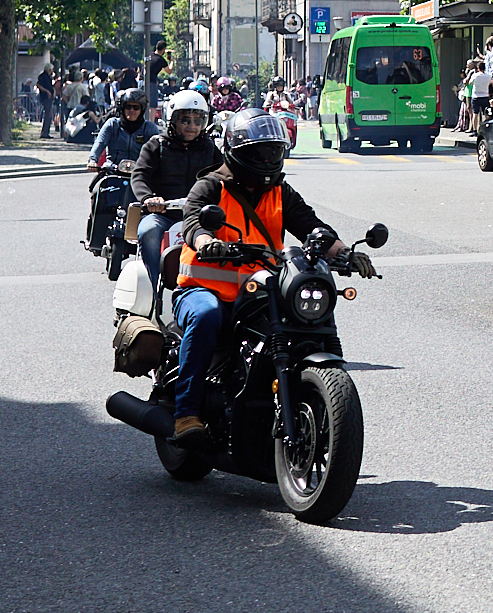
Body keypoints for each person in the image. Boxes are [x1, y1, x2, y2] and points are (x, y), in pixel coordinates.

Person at [165, 111, 362, 444]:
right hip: (203, 289)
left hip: (259, 291)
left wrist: (345, 253)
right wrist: (207, 242)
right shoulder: (211, 185)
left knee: (304, 317)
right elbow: (193, 222)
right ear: (237, 152)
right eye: (260, 152)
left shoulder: (281, 191)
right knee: (206, 316)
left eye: (274, 151)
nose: (268, 159)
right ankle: (186, 413)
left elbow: (311, 227)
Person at [129, 89, 219, 287]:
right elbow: (139, 175)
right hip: (163, 214)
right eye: (185, 120)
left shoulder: (210, 148)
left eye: (198, 121)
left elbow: (224, 177)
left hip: (200, 216)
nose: (192, 126)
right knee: (148, 231)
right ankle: (154, 285)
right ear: (172, 120)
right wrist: (148, 198)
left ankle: (215, 287)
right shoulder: (156, 145)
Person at [87, 87, 156, 169]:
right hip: (113, 169)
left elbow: (158, 148)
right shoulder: (112, 124)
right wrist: (93, 160)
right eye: (128, 107)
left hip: (140, 171)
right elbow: (100, 142)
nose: (131, 110)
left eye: (136, 107)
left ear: (142, 109)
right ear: (122, 107)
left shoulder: (149, 128)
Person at [35, 66, 56, 137]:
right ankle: (44, 132)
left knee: (49, 116)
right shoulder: (42, 76)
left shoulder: (49, 77)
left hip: (49, 97)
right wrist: (47, 91)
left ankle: (46, 132)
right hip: (45, 97)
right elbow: (39, 85)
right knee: (48, 115)